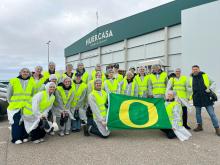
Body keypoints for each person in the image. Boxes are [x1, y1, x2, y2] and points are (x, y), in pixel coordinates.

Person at [189, 65, 220, 136]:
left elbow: (213, 82)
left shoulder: (205, 75)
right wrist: (190, 95)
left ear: (199, 69)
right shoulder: (191, 78)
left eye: (196, 69)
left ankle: (217, 128)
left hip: (206, 97)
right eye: (193, 69)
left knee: (212, 114)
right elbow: (189, 88)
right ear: (192, 70)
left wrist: (210, 89)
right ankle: (199, 126)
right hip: (197, 98)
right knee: (198, 114)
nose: (195, 70)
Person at [7, 68, 35, 144]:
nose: (25, 73)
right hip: (16, 106)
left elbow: (32, 94)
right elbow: (9, 94)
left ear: (29, 74)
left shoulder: (32, 81)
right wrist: (11, 102)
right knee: (16, 122)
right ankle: (16, 138)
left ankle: (24, 136)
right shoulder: (14, 81)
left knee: (25, 121)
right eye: (23, 72)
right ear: (20, 73)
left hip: (26, 106)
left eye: (27, 72)